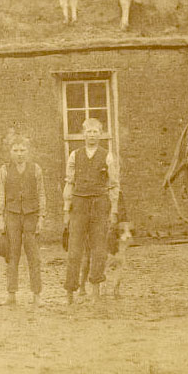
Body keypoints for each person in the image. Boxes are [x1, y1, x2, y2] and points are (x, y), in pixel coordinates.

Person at [62, 117, 122, 304]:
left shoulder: (107, 156)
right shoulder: (75, 155)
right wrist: (66, 209)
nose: (92, 135)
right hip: (79, 205)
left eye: (95, 132)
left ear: (100, 134)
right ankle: (70, 291)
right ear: (83, 134)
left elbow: (113, 185)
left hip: (99, 204)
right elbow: (70, 183)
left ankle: (95, 290)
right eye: (88, 132)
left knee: (99, 250)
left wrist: (113, 211)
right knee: (74, 250)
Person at [0, 135, 46, 306]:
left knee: (34, 256)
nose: (19, 154)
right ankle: (11, 294)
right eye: (15, 150)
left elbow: (41, 194)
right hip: (12, 215)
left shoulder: (36, 169)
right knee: (12, 254)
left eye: (22, 150)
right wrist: (0, 217)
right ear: (10, 152)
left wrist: (41, 217)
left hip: (31, 215)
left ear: (28, 151)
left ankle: (37, 294)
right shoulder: (4, 170)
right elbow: (1, 193)